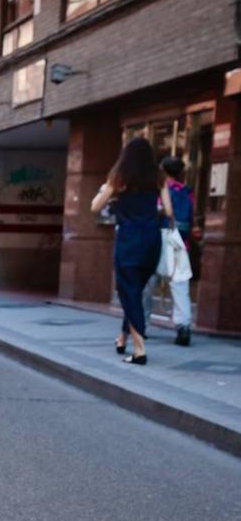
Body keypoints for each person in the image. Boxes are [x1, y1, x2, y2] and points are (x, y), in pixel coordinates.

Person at [91, 137, 173, 365]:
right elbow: (168, 210)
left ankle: (140, 350)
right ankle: (122, 338)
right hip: (151, 239)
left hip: (129, 239)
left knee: (129, 291)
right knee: (134, 290)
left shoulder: (119, 177)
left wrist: (110, 193)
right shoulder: (158, 177)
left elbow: (94, 207)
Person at [156, 156, 195, 346]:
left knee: (147, 282)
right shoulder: (187, 192)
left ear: (163, 170)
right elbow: (191, 217)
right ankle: (183, 326)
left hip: (158, 238)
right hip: (179, 241)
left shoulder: (160, 189)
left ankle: (140, 323)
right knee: (180, 286)